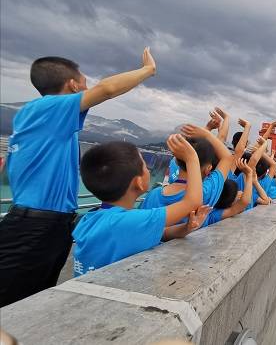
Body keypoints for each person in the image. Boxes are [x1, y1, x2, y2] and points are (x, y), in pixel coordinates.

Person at [0, 48, 156, 307]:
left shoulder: (45, 123)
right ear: (73, 85)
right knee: (11, 304)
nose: (88, 88)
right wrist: (147, 70)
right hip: (34, 227)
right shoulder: (46, 109)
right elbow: (106, 90)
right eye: (84, 82)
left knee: (31, 303)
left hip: (47, 226)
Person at [72, 135, 208, 277]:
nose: (149, 170)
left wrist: (186, 228)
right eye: (145, 167)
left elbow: (162, 232)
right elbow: (193, 202)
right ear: (138, 182)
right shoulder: (127, 221)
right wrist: (192, 158)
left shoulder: (90, 219)